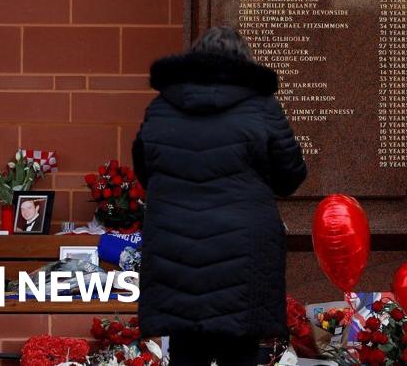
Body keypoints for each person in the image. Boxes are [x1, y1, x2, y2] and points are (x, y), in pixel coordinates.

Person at [132, 26, 308, 366]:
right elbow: (291, 176)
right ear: (244, 61)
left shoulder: (161, 106)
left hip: (176, 247)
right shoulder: (261, 106)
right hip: (244, 250)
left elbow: (145, 171)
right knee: (240, 350)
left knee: (185, 347)